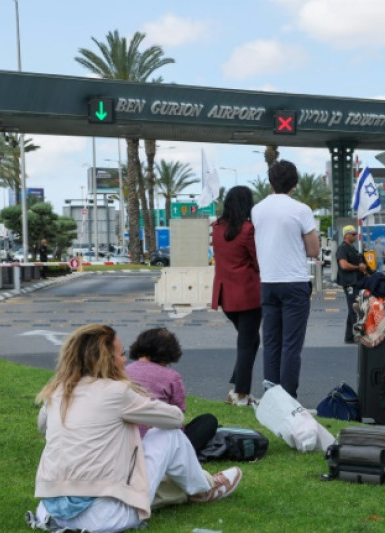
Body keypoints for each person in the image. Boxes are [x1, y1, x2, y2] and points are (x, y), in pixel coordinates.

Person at [27, 324, 242, 533]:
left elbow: (43, 426)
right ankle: (204, 489)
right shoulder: (117, 392)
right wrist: (140, 396)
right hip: (104, 517)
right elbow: (176, 418)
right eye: (121, 354)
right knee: (168, 435)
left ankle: (195, 487)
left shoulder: (57, 391)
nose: (125, 360)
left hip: (49, 513)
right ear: (106, 360)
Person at [250, 160, 320, 399]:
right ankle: (288, 397)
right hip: (295, 282)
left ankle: (270, 395)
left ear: (270, 182)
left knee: (270, 341)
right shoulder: (301, 210)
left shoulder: (257, 209)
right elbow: (313, 250)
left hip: (268, 282)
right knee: (291, 344)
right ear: (295, 184)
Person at [125, 327, 218, 454]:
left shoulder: (123, 372)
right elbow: (177, 415)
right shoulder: (171, 377)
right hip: (161, 445)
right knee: (208, 421)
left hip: (127, 443)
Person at [212, 186, 262, 406]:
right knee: (246, 343)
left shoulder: (216, 228)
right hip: (249, 295)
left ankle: (237, 384)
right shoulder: (248, 229)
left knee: (249, 340)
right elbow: (257, 261)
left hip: (226, 296)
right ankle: (240, 393)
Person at [335, 225, 367, 344]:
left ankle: (349, 337)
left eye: (355, 234)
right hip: (349, 283)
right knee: (354, 309)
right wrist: (358, 267)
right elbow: (343, 265)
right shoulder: (342, 249)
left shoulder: (353, 248)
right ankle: (356, 335)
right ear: (346, 235)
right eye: (352, 234)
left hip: (356, 282)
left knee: (352, 308)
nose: (355, 236)